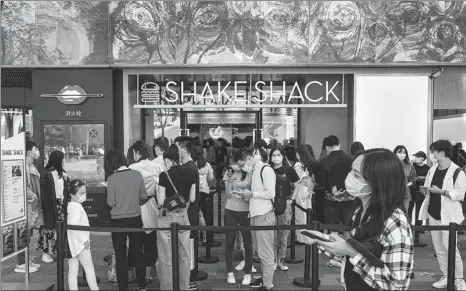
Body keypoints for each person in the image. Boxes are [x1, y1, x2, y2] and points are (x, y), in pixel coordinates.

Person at [304, 148, 414, 290]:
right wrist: (323, 240)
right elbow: (357, 249)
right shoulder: (360, 210)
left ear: (377, 182)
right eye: (351, 171)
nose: (349, 177)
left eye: (356, 175)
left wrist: (352, 253)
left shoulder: (395, 223)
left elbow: (395, 284)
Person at [419, 139, 466, 290]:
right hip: (434, 213)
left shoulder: (458, 171)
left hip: (449, 216)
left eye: (434, 151)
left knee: (450, 247)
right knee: (438, 247)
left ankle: (458, 278)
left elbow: (460, 194)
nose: (432, 154)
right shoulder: (432, 169)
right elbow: (428, 186)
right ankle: (446, 275)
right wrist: (425, 190)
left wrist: (441, 192)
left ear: (442, 153)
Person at [234, 147, 276, 291]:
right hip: (256, 214)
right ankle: (265, 281)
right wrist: (248, 194)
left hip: (264, 214)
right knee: (261, 250)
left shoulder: (266, 170)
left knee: (266, 253)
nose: (243, 167)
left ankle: (268, 285)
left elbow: (271, 193)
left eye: (243, 164)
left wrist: (252, 193)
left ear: (249, 159)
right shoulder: (255, 169)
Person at [106, 150, 147, 291]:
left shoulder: (111, 179)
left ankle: (123, 286)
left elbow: (111, 203)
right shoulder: (137, 175)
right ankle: (142, 284)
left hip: (117, 221)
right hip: (135, 218)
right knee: (138, 252)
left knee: (120, 254)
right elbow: (144, 197)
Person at [157, 144, 196, 291]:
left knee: (166, 258)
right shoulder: (191, 173)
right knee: (184, 256)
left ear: (167, 159)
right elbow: (192, 198)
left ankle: (168, 288)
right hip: (183, 217)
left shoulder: (164, 175)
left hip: (167, 219)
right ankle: (184, 287)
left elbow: (161, 201)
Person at [315, 135, 354, 268]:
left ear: (326, 147)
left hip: (331, 200)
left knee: (333, 228)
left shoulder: (324, 162)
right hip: (350, 199)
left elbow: (320, 182)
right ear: (338, 144)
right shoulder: (351, 159)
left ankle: (335, 255)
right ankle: (349, 254)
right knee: (347, 227)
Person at [129, 140, 159, 282]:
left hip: (135, 208)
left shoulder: (132, 168)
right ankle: (148, 274)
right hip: (152, 205)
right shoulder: (155, 166)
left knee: (136, 242)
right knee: (150, 242)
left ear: (137, 152)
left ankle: (137, 274)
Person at [223, 150, 254, 285]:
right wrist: (229, 181)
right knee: (230, 242)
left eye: (245, 160)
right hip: (230, 209)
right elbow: (228, 194)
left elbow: (254, 192)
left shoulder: (252, 172)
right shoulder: (230, 171)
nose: (243, 164)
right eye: (240, 161)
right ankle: (230, 272)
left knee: (248, 243)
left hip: (246, 210)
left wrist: (245, 194)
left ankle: (248, 274)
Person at [175, 136, 199, 290]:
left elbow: (191, 197)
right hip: (191, 213)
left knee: (188, 247)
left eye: (177, 148)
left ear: (183, 149)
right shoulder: (190, 166)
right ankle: (189, 279)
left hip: (188, 214)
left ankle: (190, 280)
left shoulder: (189, 168)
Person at [269, 147, 300, 271]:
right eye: (273, 155)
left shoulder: (289, 170)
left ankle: (280, 260)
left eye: (278, 155)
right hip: (270, 204)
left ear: (283, 156)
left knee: (283, 233)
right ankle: (271, 260)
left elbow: (296, 185)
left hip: (285, 203)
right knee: (271, 233)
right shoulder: (268, 169)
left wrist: (291, 199)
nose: (276, 157)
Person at [37, 150, 70, 264]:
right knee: (48, 228)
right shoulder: (47, 174)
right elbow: (45, 193)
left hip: (61, 204)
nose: (64, 161)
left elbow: (66, 189)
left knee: (60, 228)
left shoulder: (62, 173)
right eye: (62, 159)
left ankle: (59, 250)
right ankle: (45, 253)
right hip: (50, 205)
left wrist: (66, 179)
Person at [67, 180, 99, 291]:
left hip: (72, 244)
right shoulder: (76, 207)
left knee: (73, 270)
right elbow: (73, 226)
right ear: (72, 194)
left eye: (85, 193)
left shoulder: (71, 206)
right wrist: (84, 240)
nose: (84, 195)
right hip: (81, 244)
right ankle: (95, 289)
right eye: (81, 193)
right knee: (89, 268)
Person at [15, 141, 42, 273]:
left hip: (31, 206)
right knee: (24, 233)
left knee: (29, 232)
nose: (37, 152)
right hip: (26, 205)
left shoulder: (31, 166)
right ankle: (21, 263)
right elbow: (21, 186)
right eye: (35, 149)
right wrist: (33, 197)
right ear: (28, 152)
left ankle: (25, 260)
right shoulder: (23, 166)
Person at [294, 145, 317, 243]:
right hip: (309, 190)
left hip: (300, 189)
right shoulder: (311, 164)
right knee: (307, 212)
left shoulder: (298, 165)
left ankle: (301, 238)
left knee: (300, 215)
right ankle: (308, 235)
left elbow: (298, 179)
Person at [193, 145, 213, 243]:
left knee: (197, 214)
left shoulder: (191, 164)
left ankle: (197, 235)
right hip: (205, 192)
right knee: (204, 215)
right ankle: (205, 236)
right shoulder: (207, 165)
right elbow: (211, 179)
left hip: (195, 193)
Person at [393, 145, 417, 213]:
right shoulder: (390, 165)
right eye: (399, 152)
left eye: (404, 152)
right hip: (392, 193)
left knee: (404, 213)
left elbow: (413, 178)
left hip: (405, 192)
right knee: (393, 214)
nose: (402, 154)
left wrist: (410, 183)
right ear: (395, 153)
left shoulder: (409, 166)